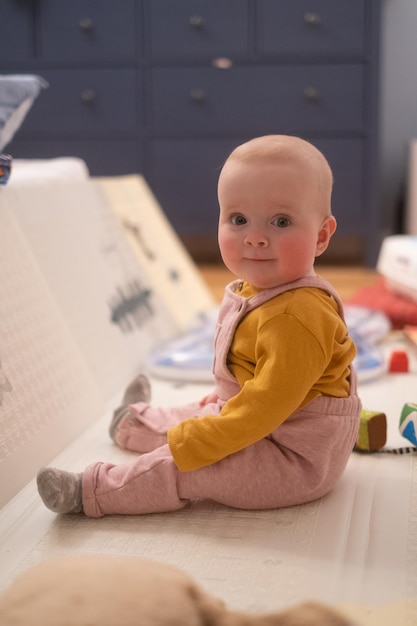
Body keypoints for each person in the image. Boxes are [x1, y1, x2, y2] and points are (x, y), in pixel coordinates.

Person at [37, 135, 361, 517]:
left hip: (293, 458)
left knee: (190, 461)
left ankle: (91, 492)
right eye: (238, 220)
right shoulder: (255, 288)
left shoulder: (298, 317)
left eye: (281, 221)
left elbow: (263, 409)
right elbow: (248, 386)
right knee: (197, 415)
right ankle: (131, 424)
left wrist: (205, 436)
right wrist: (218, 407)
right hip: (264, 424)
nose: (255, 237)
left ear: (321, 235)